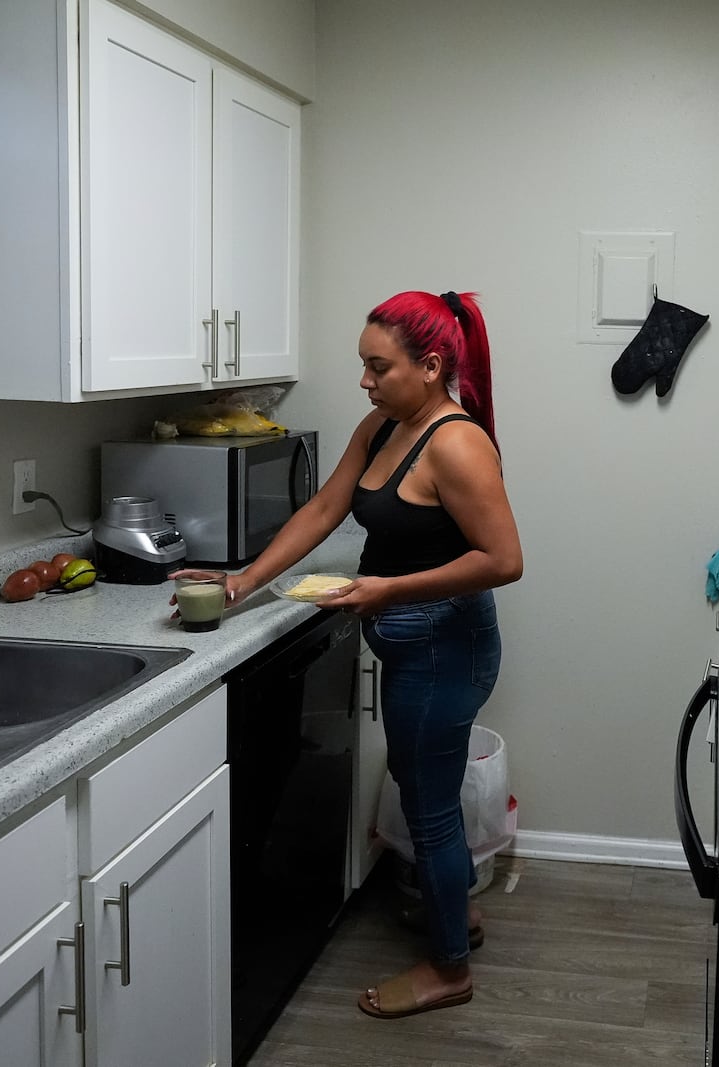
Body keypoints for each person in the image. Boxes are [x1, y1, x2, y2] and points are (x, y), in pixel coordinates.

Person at [172, 289, 522, 1020]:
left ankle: (450, 967)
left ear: (429, 367)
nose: (364, 380)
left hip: (443, 645)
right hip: (410, 638)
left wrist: (389, 588)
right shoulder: (383, 424)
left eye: (377, 366)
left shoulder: (456, 443)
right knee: (425, 789)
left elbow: (503, 558)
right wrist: (243, 579)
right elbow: (324, 507)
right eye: (363, 365)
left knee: (427, 806)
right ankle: (456, 909)